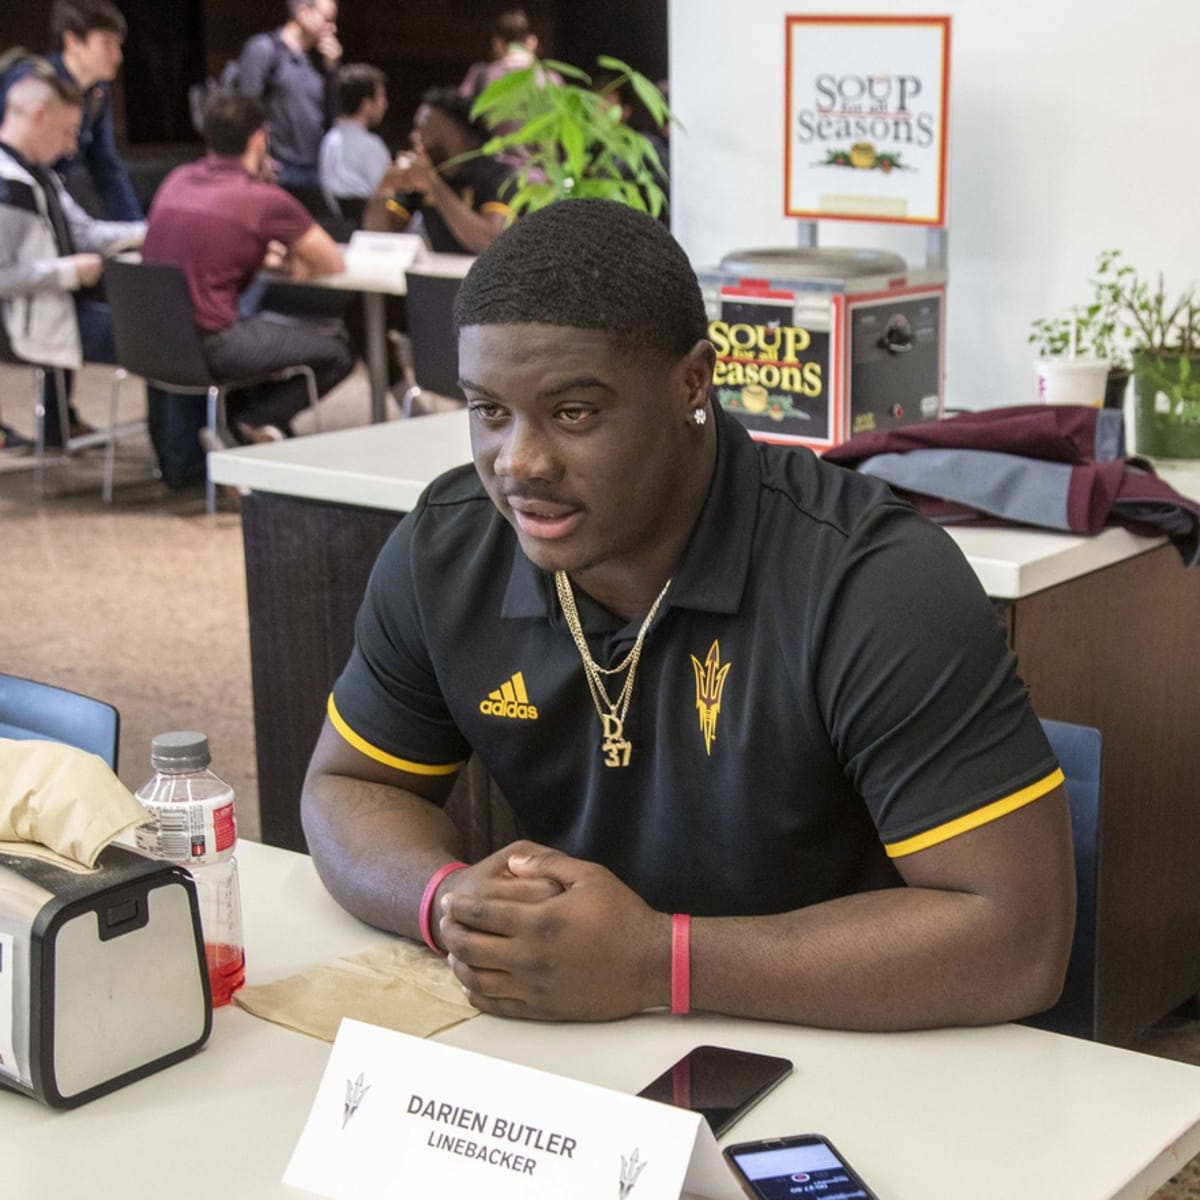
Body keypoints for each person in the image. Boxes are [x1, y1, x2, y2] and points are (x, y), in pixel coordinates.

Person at [301, 199, 1076, 1032]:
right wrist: (447, 901)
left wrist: (655, 962)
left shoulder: (872, 579)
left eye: (574, 412)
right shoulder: (447, 550)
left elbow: (1019, 939)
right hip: (582, 1038)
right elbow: (347, 784)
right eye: (490, 411)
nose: (519, 463)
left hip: (856, 1041)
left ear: (692, 382)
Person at [141, 91, 354, 443]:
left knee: (266, 332)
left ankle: (241, 430)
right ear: (259, 138)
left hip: (154, 339)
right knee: (337, 352)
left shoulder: (176, 179)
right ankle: (249, 423)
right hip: (213, 341)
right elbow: (331, 261)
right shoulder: (261, 198)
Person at [0, 67, 144, 448]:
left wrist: (150, 230)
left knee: (164, 323)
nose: (70, 147)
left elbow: (85, 232)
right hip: (28, 325)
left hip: (56, 311)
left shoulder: (41, 176)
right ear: (38, 116)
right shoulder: (7, 185)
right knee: (165, 337)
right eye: (67, 132)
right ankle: (183, 456)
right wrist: (67, 272)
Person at [0, 0, 142, 222]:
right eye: (106, 44)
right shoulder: (32, 83)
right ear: (73, 41)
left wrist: (135, 226)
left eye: (118, 45)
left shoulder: (97, 90)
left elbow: (106, 167)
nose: (118, 56)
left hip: (54, 201)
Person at [363, 87, 512, 256]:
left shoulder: (497, 173)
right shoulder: (429, 171)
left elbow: (489, 243)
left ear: (455, 134)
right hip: (440, 274)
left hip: (485, 278)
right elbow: (380, 235)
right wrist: (383, 188)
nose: (414, 136)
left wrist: (433, 184)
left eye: (421, 128)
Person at [237, 0, 342, 189]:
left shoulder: (318, 61)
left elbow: (333, 115)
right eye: (327, 19)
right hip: (278, 168)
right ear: (303, 13)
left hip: (314, 167)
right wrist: (258, 157)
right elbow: (247, 108)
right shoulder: (265, 48)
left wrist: (332, 70)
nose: (332, 28)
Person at [318, 62, 390, 217]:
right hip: (369, 229)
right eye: (381, 97)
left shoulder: (329, 140)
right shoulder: (371, 145)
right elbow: (384, 196)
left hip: (335, 227)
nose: (385, 104)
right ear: (366, 105)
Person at [458, 8, 554, 101]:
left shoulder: (481, 75)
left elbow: (460, 104)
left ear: (497, 43)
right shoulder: (551, 78)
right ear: (532, 41)